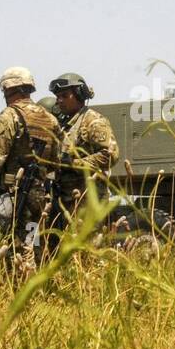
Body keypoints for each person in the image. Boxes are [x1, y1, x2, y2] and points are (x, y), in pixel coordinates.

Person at [0, 67, 60, 277]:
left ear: (8, 89)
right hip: (39, 197)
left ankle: (13, 291)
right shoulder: (50, 119)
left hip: (14, 196)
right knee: (31, 243)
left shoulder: (10, 115)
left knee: (10, 245)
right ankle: (33, 289)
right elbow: (56, 161)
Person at [49, 72, 119, 231]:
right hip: (67, 199)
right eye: (57, 96)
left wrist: (73, 164)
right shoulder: (66, 124)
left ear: (79, 94)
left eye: (64, 95)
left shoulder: (93, 121)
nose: (59, 100)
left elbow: (110, 155)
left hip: (88, 199)